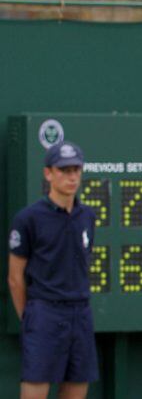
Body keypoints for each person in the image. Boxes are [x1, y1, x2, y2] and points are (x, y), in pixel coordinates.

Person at [7, 141, 98, 399]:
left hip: (80, 314)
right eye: (64, 170)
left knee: (77, 387)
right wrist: (32, 319)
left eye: (76, 170)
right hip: (44, 312)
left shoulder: (87, 217)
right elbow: (15, 278)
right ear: (49, 174)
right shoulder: (28, 218)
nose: (71, 177)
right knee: (35, 389)